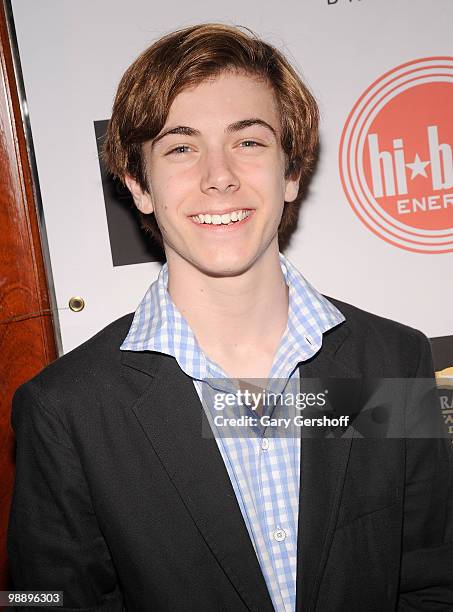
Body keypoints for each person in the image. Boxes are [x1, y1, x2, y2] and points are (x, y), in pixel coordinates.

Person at [8, 23, 453, 612]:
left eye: (248, 141)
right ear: (138, 184)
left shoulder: (394, 360)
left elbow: (431, 579)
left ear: (291, 172)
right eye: (182, 147)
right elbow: (35, 600)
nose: (219, 177)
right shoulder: (67, 409)